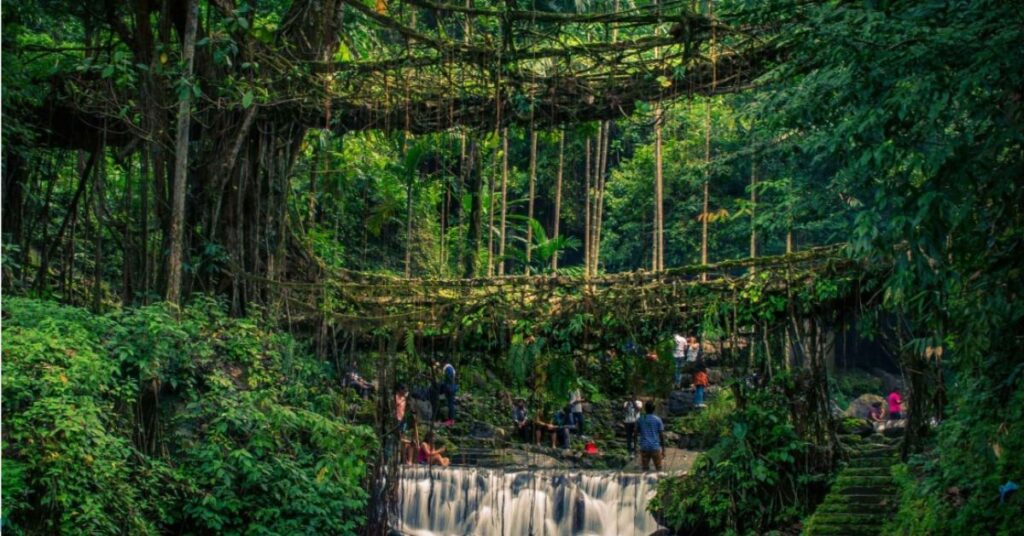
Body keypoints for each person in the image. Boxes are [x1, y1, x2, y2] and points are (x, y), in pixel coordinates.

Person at [637, 400, 665, 471]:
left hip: (644, 447)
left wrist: (635, 446)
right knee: (659, 468)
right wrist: (663, 450)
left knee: (645, 468)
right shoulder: (658, 420)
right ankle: (659, 481)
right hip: (655, 447)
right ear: (654, 409)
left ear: (645, 409)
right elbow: (661, 435)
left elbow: (636, 432)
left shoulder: (640, 419)